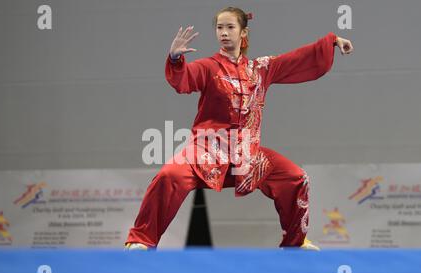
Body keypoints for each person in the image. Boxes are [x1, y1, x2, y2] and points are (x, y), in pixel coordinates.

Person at [125, 7, 353, 250]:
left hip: (248, 156)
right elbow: (183, 80)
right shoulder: (208, 67)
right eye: (219, 28)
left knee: (296, 178)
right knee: (169, 176)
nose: (223, 33)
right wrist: (174, 59)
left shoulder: (261, 69)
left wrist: (333, 42)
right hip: (207, 150)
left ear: (243, 32)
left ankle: (294, 244)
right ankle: (142, 241)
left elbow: (296, 59)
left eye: (230, 27)